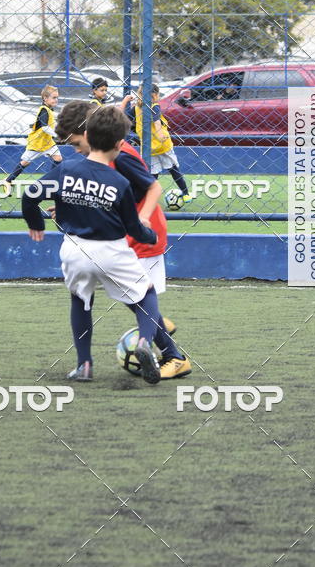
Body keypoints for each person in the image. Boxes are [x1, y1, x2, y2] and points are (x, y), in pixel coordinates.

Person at [21, 105, 166, 385]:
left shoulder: (66, 168)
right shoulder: (119, 182)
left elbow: (30, 195)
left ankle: (84, 365)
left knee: (81, 300)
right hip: (111, 250)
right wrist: (151, 237)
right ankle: (145, 342)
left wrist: (36, 224)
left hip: (75, 249)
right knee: (146, 292)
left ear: (86, 135)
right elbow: (133, 227)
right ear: (119, 144)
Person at [55, 100, 191, 379]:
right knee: (139, 300)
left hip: (141, 234)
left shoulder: (122, 154)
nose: (76, 150)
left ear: (90, 132)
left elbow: (154, 187)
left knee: (139, 299)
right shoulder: (98, 156)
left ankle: (173, 356)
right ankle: (155, 335)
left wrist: (140, 219)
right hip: (119, 234)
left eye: (76, 143)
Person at [135, 84, 190, 200]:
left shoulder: (137, 107)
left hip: (148, 147)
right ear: (155, 95)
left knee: (153, 174)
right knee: (174, 169)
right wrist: (160, 135)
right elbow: (156, 122)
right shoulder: (154, 106)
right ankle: (186, 194)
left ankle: (150, 198)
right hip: (162, 145)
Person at [3, 84, 62, 190]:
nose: (56, 100)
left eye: (57, 97)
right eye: (54, 97)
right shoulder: (44, 110)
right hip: (37, 143)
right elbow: (44, 127)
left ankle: (51, 181)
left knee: (58, 158)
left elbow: (50, 126)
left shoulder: (49, 110)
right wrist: (56, 135)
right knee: (25, 162)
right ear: (45, 98)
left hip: (47, 143)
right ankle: (8, 180)